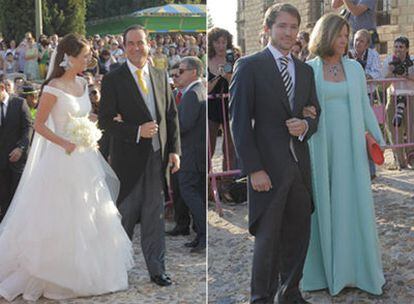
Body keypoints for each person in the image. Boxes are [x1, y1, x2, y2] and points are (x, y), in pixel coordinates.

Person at [0, 33, 133, 302]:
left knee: (90, 212)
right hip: (61, 158)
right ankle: (55, 273)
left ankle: (91, 272)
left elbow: (86, 115)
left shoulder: (84, 83)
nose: (88, 60)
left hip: (85, 157)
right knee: (62, 214)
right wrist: (64, 143)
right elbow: (39, 125)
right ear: (69, 57)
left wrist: (98, 122)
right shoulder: (52, 88)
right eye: (84, 55)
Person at [229, 4, 321, 303]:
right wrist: (253, 169)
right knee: (267, 242)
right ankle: (261, 298)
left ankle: (290, 294)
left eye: (293, 27)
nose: (289, 32)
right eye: (282, 26)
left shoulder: (305, 71)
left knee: (299, 236)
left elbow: (315, 114)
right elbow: (239, 123)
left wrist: (305, 125)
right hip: (267, 169)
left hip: (300, 168)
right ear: (268, 29)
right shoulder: (250, 66)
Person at [301, 13, 385, 296]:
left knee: (352, 203)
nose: (343, 41)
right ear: (324, 35)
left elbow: (363, 107)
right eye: (339, 35)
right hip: (320, 145)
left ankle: (356, 269)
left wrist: (378, 139)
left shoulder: (355, 69)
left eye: (346, 36)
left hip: (350, 147)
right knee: (325, 203)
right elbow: (301, 108)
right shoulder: (309, 70)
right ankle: (324, 271)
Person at [99, 25, 181, 287]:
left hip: (158, 159)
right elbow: (105, 122)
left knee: (154, 218)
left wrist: (174, 151)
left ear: (149, 44)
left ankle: (157, 270)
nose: (136, 48)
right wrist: (136, 131)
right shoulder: (113, 79)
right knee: (124, 217)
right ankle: (116, 269)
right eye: (131, 43)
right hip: (127, 161)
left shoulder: (160, 74)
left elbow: (171, 116)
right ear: (124, 47)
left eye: (141, 42)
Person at [175, 56, 206, 253]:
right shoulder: (198, 91)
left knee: (189, 193)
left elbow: (183, 125)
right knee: (196, 194)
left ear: (193, 72)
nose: (178, 75)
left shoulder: (192, 94)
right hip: (196, 154)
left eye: (181, 71)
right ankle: (200, 234)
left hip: (190, 154)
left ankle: (203, 234)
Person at [348, 28, 382, 178]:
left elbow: (377, 73)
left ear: (367, 44)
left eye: (361, 40)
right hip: (351, 96)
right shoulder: (348, 54)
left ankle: (371, 170)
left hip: (367, 96)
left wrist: (366, 75)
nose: (358, 43)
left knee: (368, 132)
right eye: (356, 40)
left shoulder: (373, 55)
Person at [0, 82, 32, 223]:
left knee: (18, 196)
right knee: (3, 197)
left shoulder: (19, 103)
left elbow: (28, 128)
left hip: (18, 160)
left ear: (2, 88)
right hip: (1, 163)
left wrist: (21, 148)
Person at [382, 36, 414, 169]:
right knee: (394, 128)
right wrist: (391, 73)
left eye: (401, 47)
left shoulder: (412, 61)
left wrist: (406, 74)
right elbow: (383, 84)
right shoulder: (389, 61)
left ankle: (412, 158)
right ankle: (400, 160)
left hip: (411, 96)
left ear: (407, 49)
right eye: (396, 47)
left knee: (412, 128)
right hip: (394, 96)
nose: (398, 50)